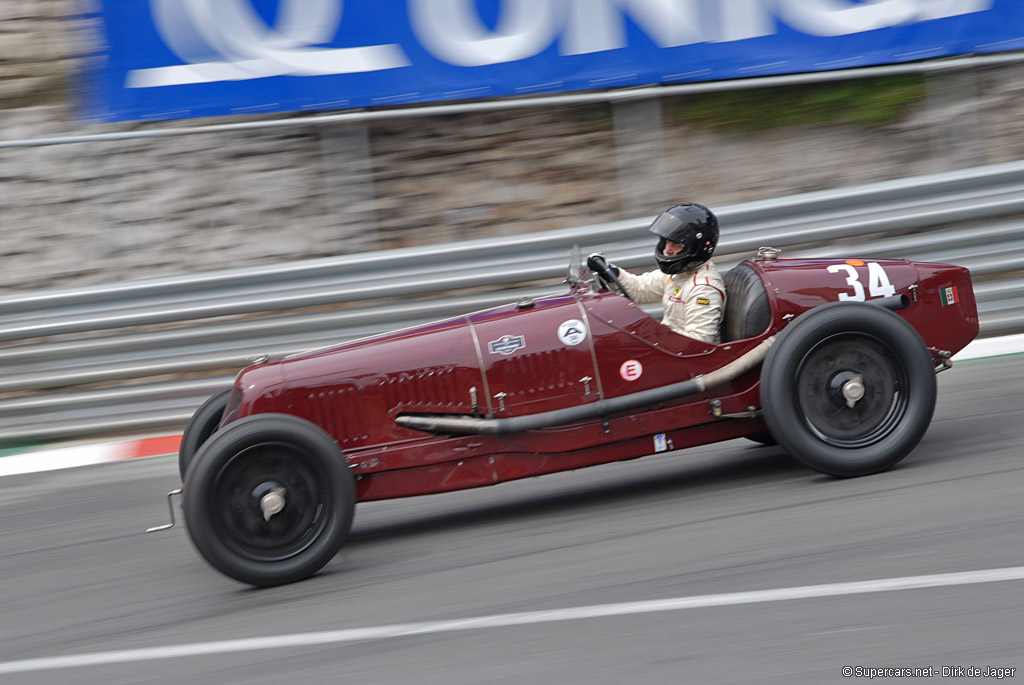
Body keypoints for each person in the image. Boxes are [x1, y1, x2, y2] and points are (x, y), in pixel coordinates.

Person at [587, 203, 726, 344]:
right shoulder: (679, 274)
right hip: (671, 350)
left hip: (689, 361)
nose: (667, 250)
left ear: (698, 247)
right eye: (666, 242)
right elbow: (640, 289)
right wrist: (612, 272)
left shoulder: (703, 289)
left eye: (676, 245)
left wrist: (654, 334)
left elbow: (699, 343)